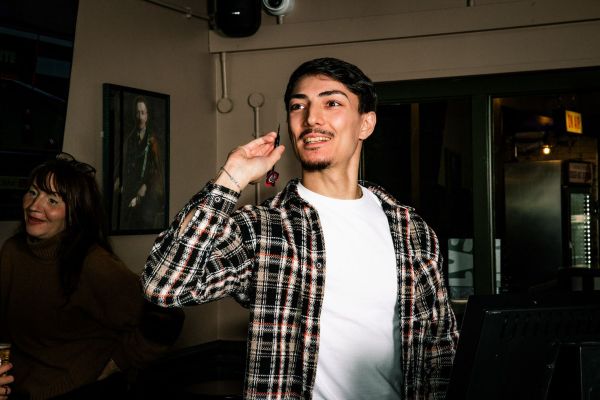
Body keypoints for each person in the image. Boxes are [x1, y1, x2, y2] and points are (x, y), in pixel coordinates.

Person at [142, 57, 458, 399]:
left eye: (332, 103)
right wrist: (231, 178)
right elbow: (165, 286)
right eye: (298, 106)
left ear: (366, 124)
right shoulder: (264, 228)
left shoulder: (410, 229)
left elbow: (440, 345)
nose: (311, 119)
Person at [0, 153, 183, 399]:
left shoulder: (93, 263)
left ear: (75, 213)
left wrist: (116, 364)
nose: (34, 206)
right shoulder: (12, 250)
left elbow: (167, 318)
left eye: (52, 200)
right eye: (33, 192)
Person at [115, 96, 165, 230]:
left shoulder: (153, 140)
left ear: (147, 116)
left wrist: (145, 186)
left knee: (143, 216)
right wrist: (120, 180)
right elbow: (125, 165)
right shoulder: (130, 139)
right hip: (131, 186)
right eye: (137, 113)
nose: (140, 117)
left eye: (143, 113)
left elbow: (157, 170)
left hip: (149, 188)